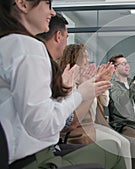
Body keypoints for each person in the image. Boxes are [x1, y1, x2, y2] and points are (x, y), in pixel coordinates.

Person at [0, 0, 126, 168]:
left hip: (29, 154)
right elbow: (46, 124)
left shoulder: (9, 44)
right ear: (23, 4)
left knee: (114, 145)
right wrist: (80, 93)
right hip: (35, 159)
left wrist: (80, 89)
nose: (52, 13)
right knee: (115, 150)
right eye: (47, 4)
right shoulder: (27, 47)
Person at [59, 44, 132, 169]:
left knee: (125, 142)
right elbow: (73, 114)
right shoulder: (67, 79)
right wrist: (87, 86)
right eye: (85, 57)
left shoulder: (87, 77)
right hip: (79, 128)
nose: (88, 60)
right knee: (117, 144)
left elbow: (105, 102)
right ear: (75, 58)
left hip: (92, 124)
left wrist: (101, 82)